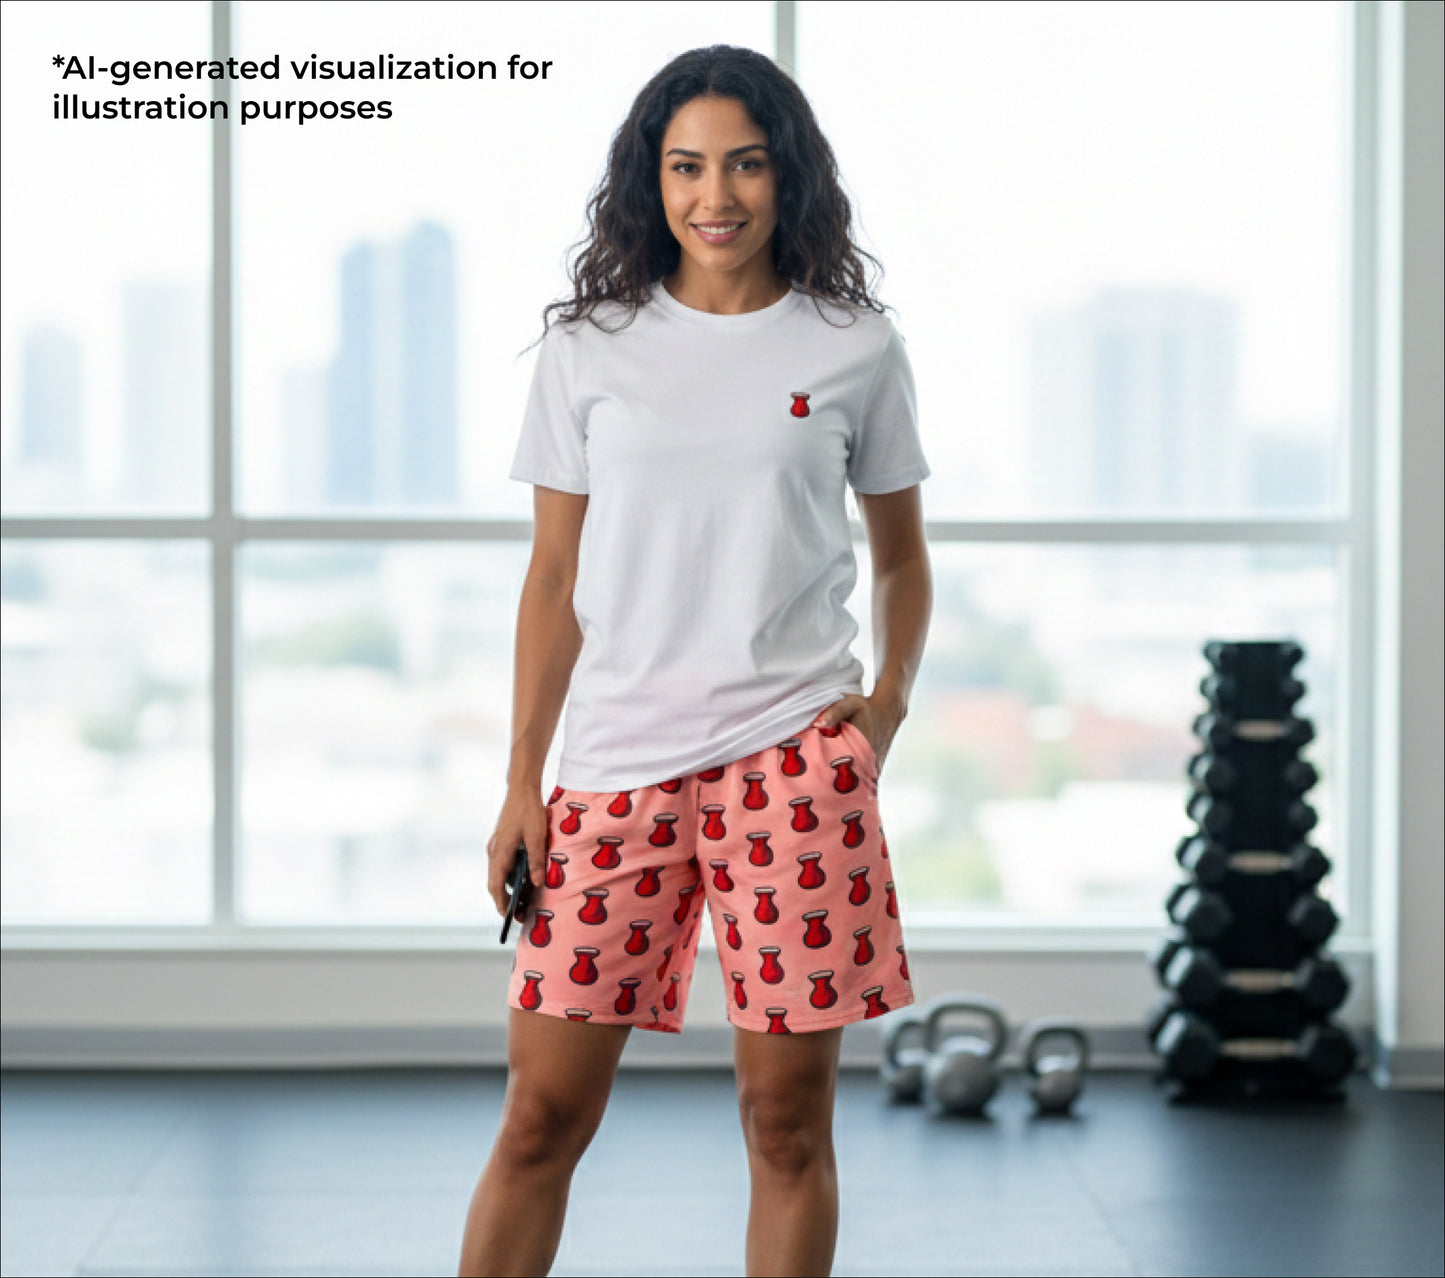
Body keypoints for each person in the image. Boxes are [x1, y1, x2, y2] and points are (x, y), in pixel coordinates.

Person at [457, 43, 933, 1278]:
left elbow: (899, 558)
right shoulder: (589, 347)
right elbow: (552, 583)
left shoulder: (853, 345)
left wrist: (882, 709)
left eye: (743, 164)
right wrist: (521, 781)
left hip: (794, 769)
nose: (713, 195)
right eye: (684, 167)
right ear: (649, 180)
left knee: (784, 1127)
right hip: (613, 769)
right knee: (538, 1118)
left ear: (788, 175)